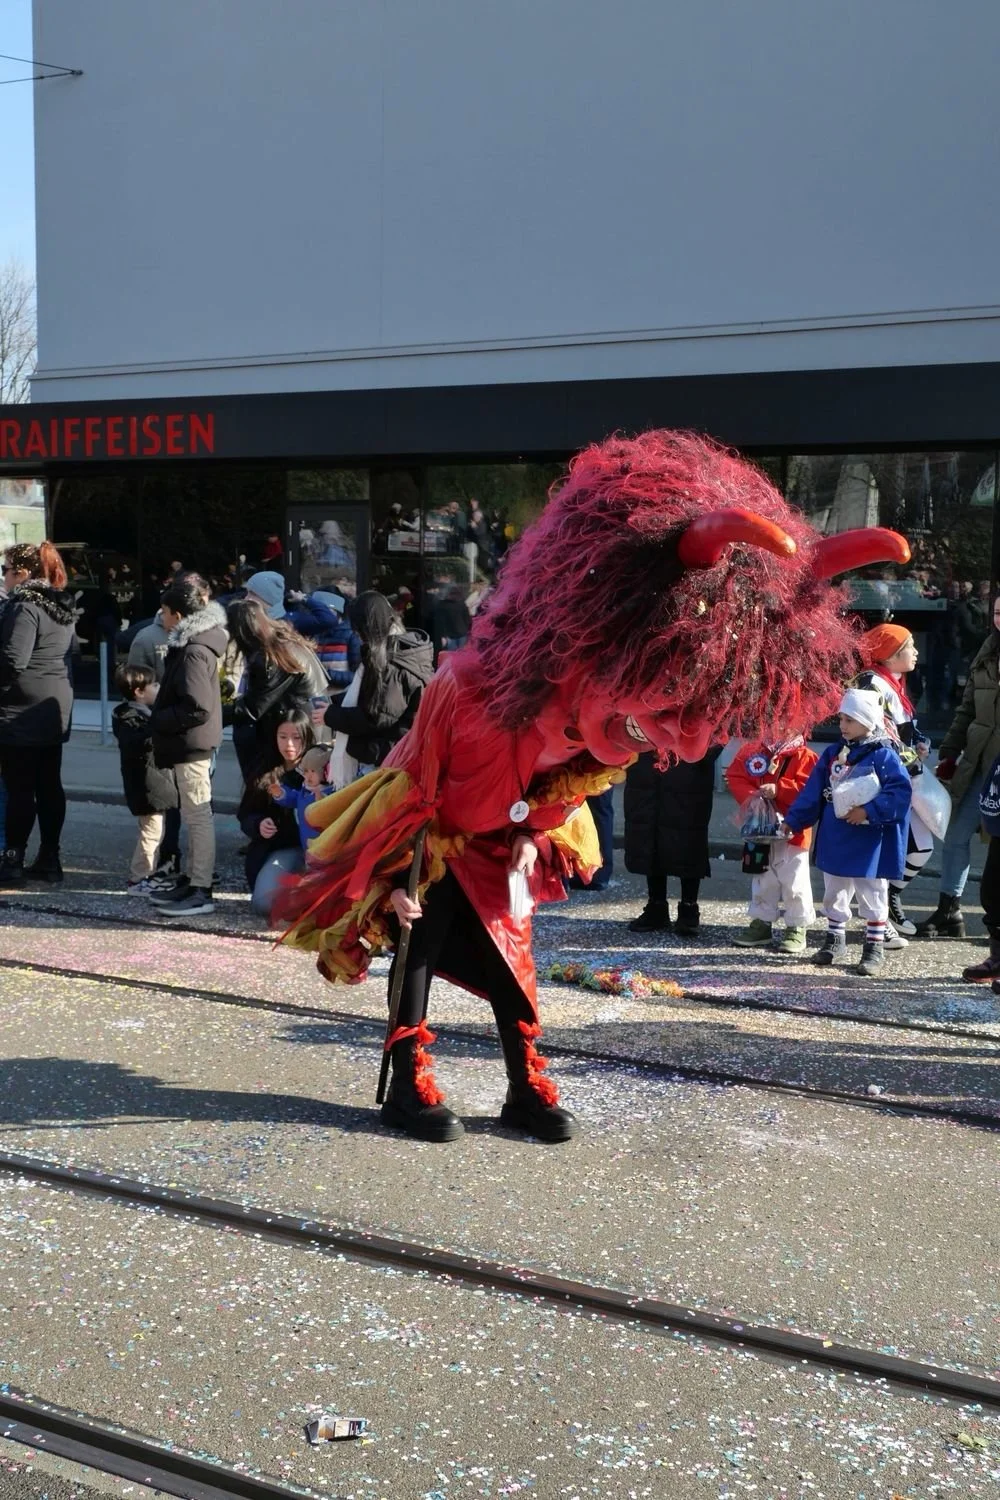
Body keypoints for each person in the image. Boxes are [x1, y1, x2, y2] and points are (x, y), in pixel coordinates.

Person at [274, 429, 910, 1144]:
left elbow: (572, 780)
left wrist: (531, 834)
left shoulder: (615, 721)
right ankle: (405, 1082)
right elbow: (417, 790)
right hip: (435, 841)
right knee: (419, 951)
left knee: (514, 967)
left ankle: (524, 1088)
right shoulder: (470, 690)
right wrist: (397, 878)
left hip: (501, 847)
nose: (686, 743)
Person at [784, 688, 912, 976]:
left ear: (868, 721)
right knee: (834, 888)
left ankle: (874, 946)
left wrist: (868, 811)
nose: (842, 725)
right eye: (841, 718)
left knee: (872, 890)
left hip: (869, 839)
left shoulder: (884, 755)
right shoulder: (833, 754)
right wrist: (794, 820)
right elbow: (813, 791)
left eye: (850, 720)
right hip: (837, 834)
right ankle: (834, 938)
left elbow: (900, 791)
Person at [918, 591, 1000, 939]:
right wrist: (950, 750)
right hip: (979, 764)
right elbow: (967, 708)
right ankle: (949, 911)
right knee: (955, 835)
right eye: (997, 612)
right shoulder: (987, 651)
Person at [146, 578, 227, 919]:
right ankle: (194, 880)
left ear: (178, 615)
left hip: (192, 744)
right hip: (192, 743)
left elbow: (198, 707)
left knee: (197, 816)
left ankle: (200, 888)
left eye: (165, 612)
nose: (162, 617)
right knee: (195, 816)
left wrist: (160, 717)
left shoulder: (194, 650)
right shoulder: (196, 645)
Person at [0, 541, 75, 886]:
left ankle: (12, 860)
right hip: (53, 703)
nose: (4, 578)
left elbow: (13, 659)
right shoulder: (59, 603)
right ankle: (49, 857)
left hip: (21, 708)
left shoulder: (25, 605)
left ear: (22, 573)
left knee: (20, 787)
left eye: (5, 571)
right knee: (48, 784)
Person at [853, 623, 932, 937]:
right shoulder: (871, 683)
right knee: (886, 850)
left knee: (921, 847)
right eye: (910, 646)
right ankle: (877, 920)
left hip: (902, 779)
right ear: (890, 653)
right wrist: (911, 757)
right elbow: (875, 735)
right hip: (882, 781)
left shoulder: (893, 681)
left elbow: (903, 728)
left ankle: (890, 898)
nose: (916, 652)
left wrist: (920, 743)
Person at [316, 591, 433, 770]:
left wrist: (331, 715)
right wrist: (334, 703)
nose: (357, 636)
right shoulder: (401, 652)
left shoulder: (393, 663)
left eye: (358, 631)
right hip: (393, 752)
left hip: (390, 758)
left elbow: (376, 716)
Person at [726, 734, 818, 955]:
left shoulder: (806, 756)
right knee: (762, 877)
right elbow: (736, 775)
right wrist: (753, 797)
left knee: (795, 879)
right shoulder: (753, 750)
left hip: (794, 829)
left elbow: (810, 789)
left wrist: (779, 789)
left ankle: (797, 924)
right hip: (759, 827)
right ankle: (761, 921)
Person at [623, 748, 721, 936]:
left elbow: (720, 736)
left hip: (688, 769)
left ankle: (689, 908)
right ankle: (656, 905)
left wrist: (700, 755)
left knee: (688, 838)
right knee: (649, 834)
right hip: (647, 766)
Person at [225, 598, 326, 776]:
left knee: (285, 783)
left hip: (297, 725)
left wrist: (214, 714)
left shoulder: (273, 657)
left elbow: (253, 707)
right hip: (309, 720)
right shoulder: (283, 642)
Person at [239, 710, 316, 917]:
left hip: (318, 849)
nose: (289, 744)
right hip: (282, 849)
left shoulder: (320, 768)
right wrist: (258, 824)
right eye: (283, 737)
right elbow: (245, 814)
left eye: (296, 737)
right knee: (264, 904)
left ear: (307, 737)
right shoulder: (264, 768)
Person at [112, 663, 180, 893]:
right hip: (147, 787)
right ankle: (139, 877)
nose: (158, 688)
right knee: (151, 834)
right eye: (155, 685)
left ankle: (148, 874)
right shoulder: (131, 718)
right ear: (139, 692)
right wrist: (157, 730)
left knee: (155, 832)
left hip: (153, 785)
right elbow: (137, 744)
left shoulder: (143, 714)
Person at [285, 589, 361, 689]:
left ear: (336, 611)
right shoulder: (313, 634)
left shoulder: (350, 635)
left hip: (341, 694)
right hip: (316, 693)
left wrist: (326, 675)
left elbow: (358, 675)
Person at [270, 745, 332, 843]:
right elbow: (294, 798)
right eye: (306, 771)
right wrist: (281, 793)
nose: (309, 776)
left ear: (326, 771)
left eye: (313, 771)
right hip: (306, 844)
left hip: (325, 845)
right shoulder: (305, 791)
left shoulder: (333, 793)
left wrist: (323, 803)